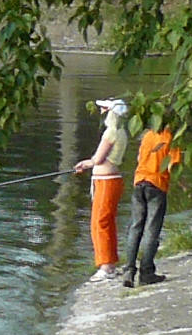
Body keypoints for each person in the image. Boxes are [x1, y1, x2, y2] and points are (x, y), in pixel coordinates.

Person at [74, 96, 132, 283]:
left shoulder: (111, 132)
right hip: (107, 180)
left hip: (107, 181)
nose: (102, 112)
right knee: (106, 222)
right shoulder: (121, 132)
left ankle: (106, 267)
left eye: (105, 109)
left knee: (100, 223)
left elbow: (98, 159)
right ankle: (110, 263)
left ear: (112, 113)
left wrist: (85, 163)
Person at [124, 113, 183, 287]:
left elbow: (139, 159)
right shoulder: (171, 139)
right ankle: (146, 272)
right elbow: (173, 166)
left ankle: (128, 270)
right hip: (156, 185)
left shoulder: (148, 135)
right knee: (151, 229)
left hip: (139, 182)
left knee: (135, 227)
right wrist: (184, 184)